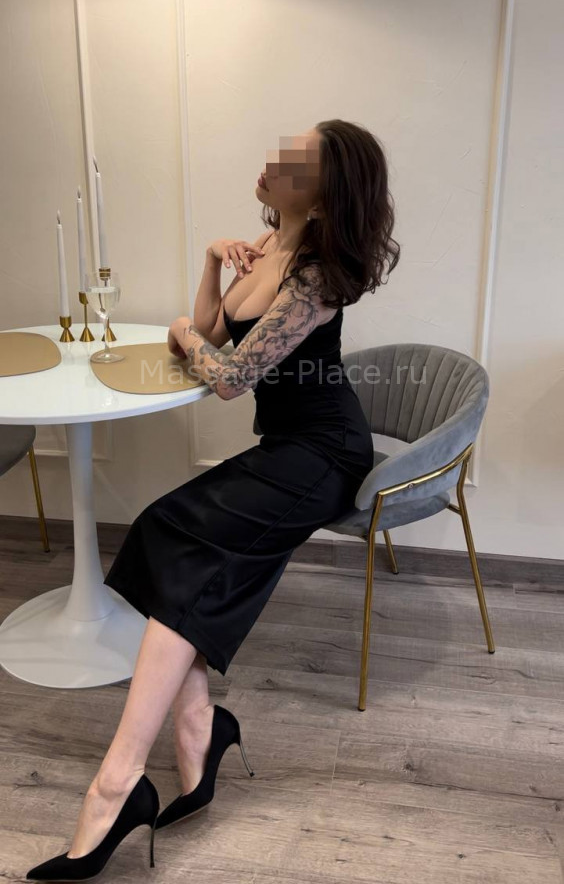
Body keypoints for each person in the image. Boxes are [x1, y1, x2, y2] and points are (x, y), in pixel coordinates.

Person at [26, 118, 400, 881]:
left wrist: (177, 331)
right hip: (286, 447)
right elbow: (209, 332)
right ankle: (199, 724)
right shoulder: (267, 250)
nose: (274, 162)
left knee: (179, 540)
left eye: (297, 161)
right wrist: (208, 264)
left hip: (324, 455)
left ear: (323, 195)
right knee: (163, 531)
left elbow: (228, 377)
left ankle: (117, 784)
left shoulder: (317, 279)